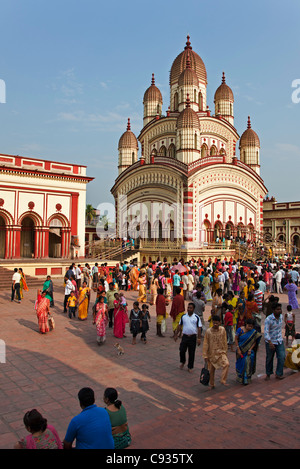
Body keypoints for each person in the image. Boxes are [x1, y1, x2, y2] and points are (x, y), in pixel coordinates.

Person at [202, 315, 229, 389]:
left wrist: (225, 351)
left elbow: (224, 340)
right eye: (214, 323)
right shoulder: (208, 331)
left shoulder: (222, 329)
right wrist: (205, 355)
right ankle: (212, 384)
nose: (215, 324)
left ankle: (223, 380)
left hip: (221, 352)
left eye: (217, 323)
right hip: (212, 353)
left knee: (226, 364)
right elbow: (206, 343)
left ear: (220, 323)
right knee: (211, 370)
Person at [174, 302, 202, 373]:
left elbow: (199, 328)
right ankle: (183, 361)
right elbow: (180, 325)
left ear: (193, 309)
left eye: (190, 308)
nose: (189, 309)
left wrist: (199, 338)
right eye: (188, 307)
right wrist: (176, 334)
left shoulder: (196, 317)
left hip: (192, 337)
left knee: (191, 352)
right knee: (182, 350)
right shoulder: (183, 316)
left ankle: (190, 366)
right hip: (185, 337)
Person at [235, 318, 262, 385]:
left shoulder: (253, 332)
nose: (250, 327)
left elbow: (254, 342)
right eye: (248, 326)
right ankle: (240, 378)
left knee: (247, 363)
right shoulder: (240, 330)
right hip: (240, 350)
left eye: (251, 326)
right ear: (245, 324)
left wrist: (250, 349)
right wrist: (238, 349)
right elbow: (236, 339)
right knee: (240, 364)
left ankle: (246, 379)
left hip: (248, 351)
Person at [264, 302, 285, 380]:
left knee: (282, 357)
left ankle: (279, 373)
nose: (279, 311)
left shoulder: (281, 317)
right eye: (277, 309)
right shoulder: (268, 319)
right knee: (269, 358)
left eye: (280, 309)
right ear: (273, 310)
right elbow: (266, 332)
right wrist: (270, 342)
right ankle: (268, 373)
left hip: (279, 340)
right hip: (270, 341)